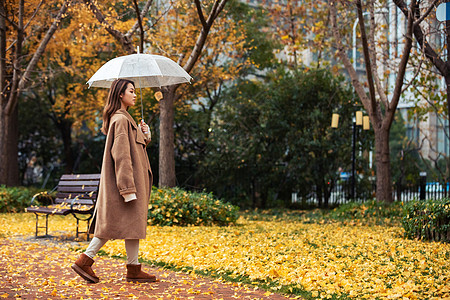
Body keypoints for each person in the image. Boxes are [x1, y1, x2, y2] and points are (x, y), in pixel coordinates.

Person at [71, 79, 155, 283]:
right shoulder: (121, 120)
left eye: (135, 91)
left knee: (133, 224)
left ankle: (133, 268)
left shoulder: (127, 119)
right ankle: (85, 260)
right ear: (120, 94)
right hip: (126, 184)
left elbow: (135, 149)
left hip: (132, 183)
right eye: (131, 91)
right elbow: (122, 156)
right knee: (110, 225)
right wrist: (127, 188)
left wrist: (146, 135)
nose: (135, 95)